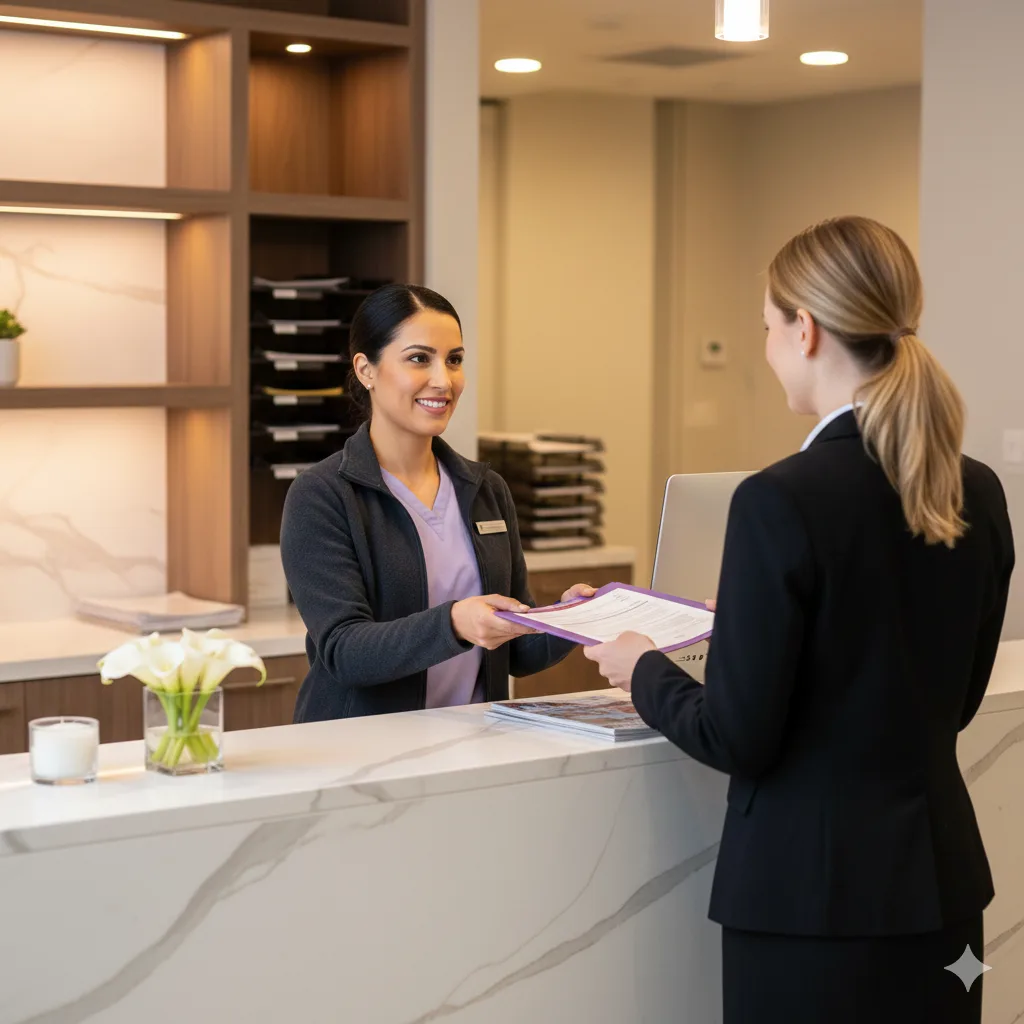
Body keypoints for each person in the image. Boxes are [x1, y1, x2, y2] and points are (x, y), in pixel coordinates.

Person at [585, 217, 1014, 1024]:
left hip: (811, 908)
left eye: (769, 327)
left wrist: (642, 664)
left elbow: (737, 736)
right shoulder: (980, 490)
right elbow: (939, 694)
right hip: (942, 893)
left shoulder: (780, 499)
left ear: (805, 329)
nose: (769, 345)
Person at [281, 283, 592, 721]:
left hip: (472, 745)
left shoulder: (486, 489)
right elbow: (344, 651)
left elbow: (515, 651)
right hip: (358, 752)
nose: (443, 380)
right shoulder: (322, 495)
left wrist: (568, 620)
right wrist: (454, 623)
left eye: (455, 360)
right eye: (418, 359)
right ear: (366, 369)